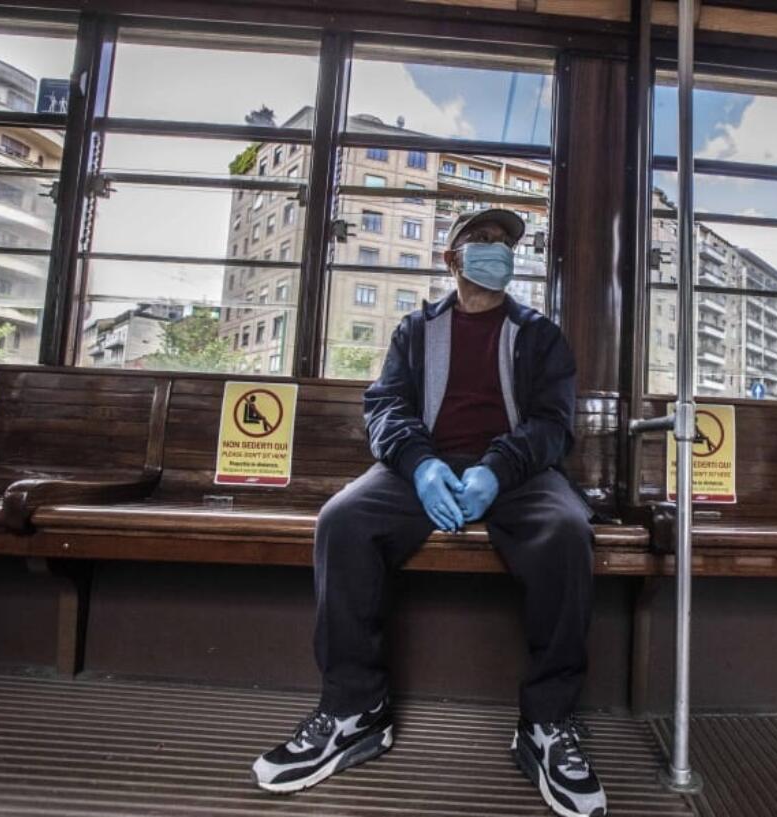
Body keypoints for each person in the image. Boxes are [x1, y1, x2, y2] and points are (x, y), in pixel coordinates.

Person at [251, 209, 607, 817]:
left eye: (504, 244)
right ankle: (353, 709)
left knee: (568, 532)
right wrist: (420, 465)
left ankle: (547, 723)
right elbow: (385, 407)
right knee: (343, 520)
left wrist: (496, 468)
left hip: (517, 473)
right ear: (452, 259)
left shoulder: (540, 335)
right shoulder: (414, 331)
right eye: (483, 242)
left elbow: (553, 424)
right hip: (426, 467)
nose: (497, 251)